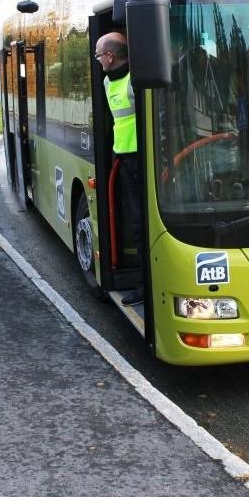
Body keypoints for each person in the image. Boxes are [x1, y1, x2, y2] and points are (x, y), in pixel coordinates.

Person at [95, 32, 142, 305]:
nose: (98, 60)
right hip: (123, 160)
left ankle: (144, 285)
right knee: (134, 224)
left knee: (140, 227)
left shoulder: (136, 81)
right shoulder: (106, 82)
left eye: (99, 55)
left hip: (142, 162)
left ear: (110, 56)